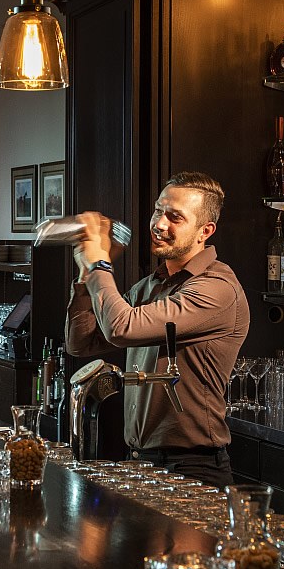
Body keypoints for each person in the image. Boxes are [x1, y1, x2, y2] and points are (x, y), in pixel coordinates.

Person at [65, 172, 249, 486]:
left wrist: (100, 264)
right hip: (139, 463)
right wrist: (85, 274)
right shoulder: (152, 285)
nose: (159, 224)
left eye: (175, 217)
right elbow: (81, 343)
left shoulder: (216, 289)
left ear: (205, 231)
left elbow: (121, 327)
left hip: (192, 469)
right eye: (157, 211)